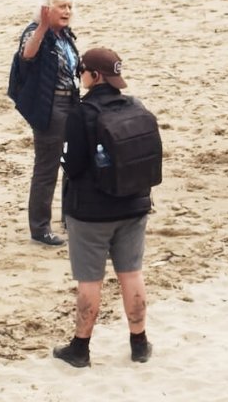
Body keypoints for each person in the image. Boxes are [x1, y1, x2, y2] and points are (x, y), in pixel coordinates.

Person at [53, 48, 154, 367]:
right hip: (134, 204)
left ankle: (80, 348)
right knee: (132, 274)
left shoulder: (80, 114)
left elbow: (71, 164)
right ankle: (139, 343)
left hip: (91, 212)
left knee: (89, 281)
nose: (80, 74)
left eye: (82, 69)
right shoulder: (135, 106)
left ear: (94, 76)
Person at [15, 0, 80, 247]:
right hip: (50, 107)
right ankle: (40, 228)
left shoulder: (65, 35)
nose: (67, 12)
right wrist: (42, 27)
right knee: (47, 167)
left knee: (74, 162)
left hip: (71, 103)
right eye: (62, 7)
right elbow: (26, 57)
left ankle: (70, 216)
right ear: (46, 9)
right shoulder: (35, 32)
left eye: (70, 7)